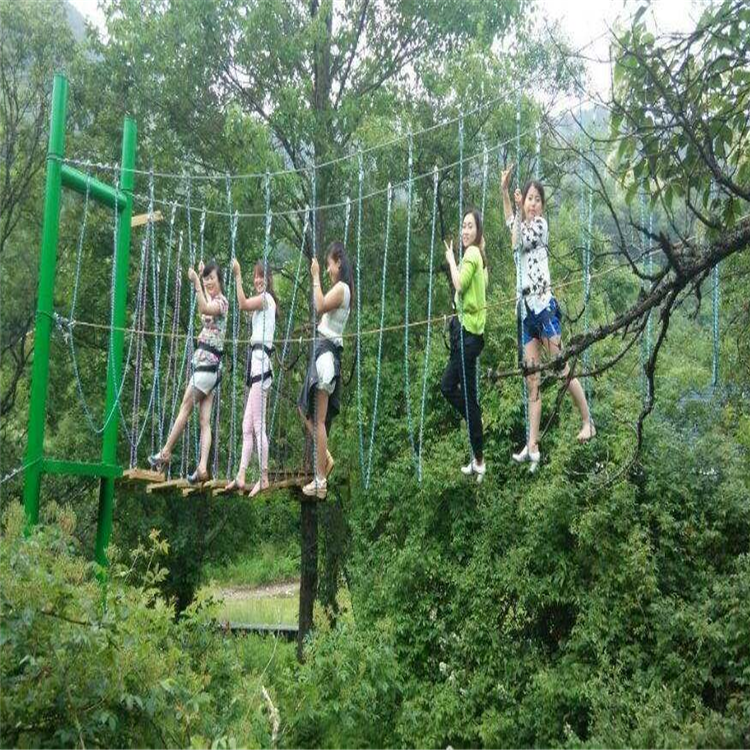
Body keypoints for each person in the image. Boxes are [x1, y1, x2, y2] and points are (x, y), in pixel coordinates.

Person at [501, 165, 595, 473]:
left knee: (561, 367)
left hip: (543, 308)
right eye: (529, 198)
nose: (532, 203)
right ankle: (532, 445)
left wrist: (518, 210)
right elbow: (510, 223)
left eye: (536, 199)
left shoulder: (540, 226)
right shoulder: (520, 222)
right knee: (532, 380)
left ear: (541, 205)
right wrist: (505, 192)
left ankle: (587, 420)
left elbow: (517, 241)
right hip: (526, 313)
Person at [149, 260, 229, 483]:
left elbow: (204, 308)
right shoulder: (213, 299)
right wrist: (201, 280)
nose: (209, 282)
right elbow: (205, 304)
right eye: (207, 279)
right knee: (204, 420)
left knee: (185, 407)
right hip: (210, 370)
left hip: (206, 368)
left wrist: (196, 283)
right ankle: (202, 467)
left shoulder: (222, 303)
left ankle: (165, 452)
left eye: (212, 278)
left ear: (220, 280)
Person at [298, 241, 353, 499]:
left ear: (338, 262)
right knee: (305, 409)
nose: (328, 268)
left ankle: (320, 479)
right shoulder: (343, 289)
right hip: (326, 354)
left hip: (326, 355)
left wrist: (315, 276)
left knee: (318, 420)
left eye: (329, 264)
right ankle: (325, 458)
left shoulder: (341, 289)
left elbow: (319, 305)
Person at [442, 208, 489, 483]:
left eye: (470, 226)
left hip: (468, 334)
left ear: (478, 231)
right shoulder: (479, 256)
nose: (465, 231)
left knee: (459, 393)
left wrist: (451, 260)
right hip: (468, 334)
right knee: (452, 388)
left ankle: (478, 456)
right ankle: (475, 425)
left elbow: (459, 284)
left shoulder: (471, 254)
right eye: (463, 226)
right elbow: (482, 283)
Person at [225, 259, 277, 496]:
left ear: (268, 279)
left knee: (258, 426)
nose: (257, 280)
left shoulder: (266, 299)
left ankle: (264, 477)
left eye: (261, 276)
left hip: (261, 365)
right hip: (256, 365)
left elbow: (243, 303)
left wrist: (237, 275)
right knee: (247, 426)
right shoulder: (264, 304)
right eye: (255, 276)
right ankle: (241, 475)